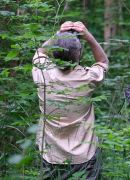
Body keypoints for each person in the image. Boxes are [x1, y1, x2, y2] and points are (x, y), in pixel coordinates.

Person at [32, 21, 108, 179]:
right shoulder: (87, 78)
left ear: (54, 52)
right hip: (84, 155)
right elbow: (102, 62)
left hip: (50, 154)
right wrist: (89, 37)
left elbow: (40, 52)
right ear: (79, 54)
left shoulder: (44, 74)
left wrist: (58, 35)